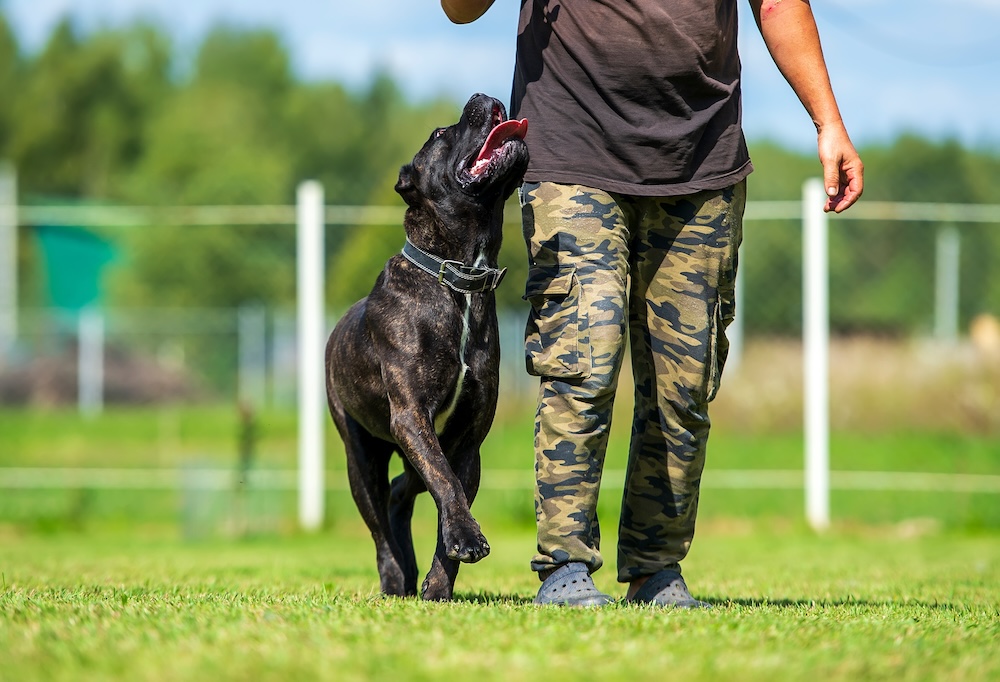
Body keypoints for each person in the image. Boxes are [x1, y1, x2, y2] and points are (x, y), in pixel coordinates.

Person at [442, 0, 864, 607]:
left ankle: (656, 567)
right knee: (581, 362)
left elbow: (775, 2)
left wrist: (830, 124)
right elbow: (459, 10)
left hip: (703, 162)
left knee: (682, 384)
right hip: (573, 151)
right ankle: (565, 565)